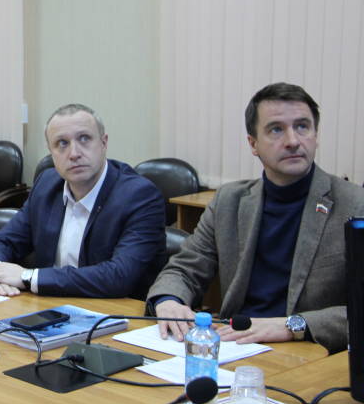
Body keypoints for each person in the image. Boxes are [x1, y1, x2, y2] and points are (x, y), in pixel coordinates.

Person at [148, 82, 364, 353]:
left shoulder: (354, 205)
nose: (293, 141)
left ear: (316, 136)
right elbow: (184, 269)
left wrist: (292, 325)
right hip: (235, 345)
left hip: (310, 352)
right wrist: (169, 300)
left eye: (302, 126)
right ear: (253, 144)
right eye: (276, 129)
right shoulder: (229, 201)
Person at [0, 103, 166, 298]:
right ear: (51, 151)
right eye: (62, 143)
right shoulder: (47, 184)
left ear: (104, 143)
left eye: (84, 138)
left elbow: (118, 277)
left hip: (114, 310)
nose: (74, 153)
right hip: (48, 304)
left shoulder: (139, 196)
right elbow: (3, 240)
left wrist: (27, 277)